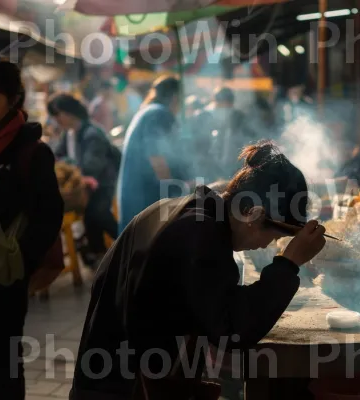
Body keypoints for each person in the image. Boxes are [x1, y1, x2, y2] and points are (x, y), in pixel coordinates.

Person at [70, 141, 326, 399]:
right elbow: (231, 329)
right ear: (252, 214)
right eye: (273, 235)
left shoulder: (195, 215)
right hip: (118, 386)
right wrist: (288, 263)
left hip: (110, 374)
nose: (268, 245)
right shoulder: (200, 233)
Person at [0, 58, 64, 400]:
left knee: (5, 359)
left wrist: (20, 261)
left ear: (13, 99)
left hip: (4, 276)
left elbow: (49, 216)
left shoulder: (32, 153)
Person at [48, 93, 118, 267]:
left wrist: (68, 166)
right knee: (88, 213)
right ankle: (99, 253)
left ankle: (129, 241)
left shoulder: (92, 133)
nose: (56, 120)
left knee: (96, 212)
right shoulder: (69, 135)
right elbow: (57, 156)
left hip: (103, 184)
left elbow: (91, 167)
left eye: (58, 114)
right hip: (85, 186)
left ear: (69, 112)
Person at [117, 75, 190, 234]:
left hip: (138, 200)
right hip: (145, 202)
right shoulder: (158, 114)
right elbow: (157, 159)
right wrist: (176, 193)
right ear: (176, 97)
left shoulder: (148, 111)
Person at [195, 87, 256, 181]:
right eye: (220, 105)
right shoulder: (204, 116)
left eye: (226, 105)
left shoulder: (239, 117)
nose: (223, 109)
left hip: (232, 168)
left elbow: (250, 138)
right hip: (209, 169)